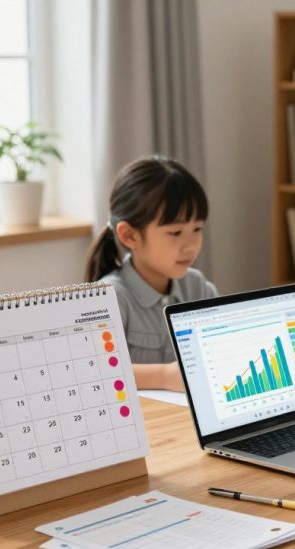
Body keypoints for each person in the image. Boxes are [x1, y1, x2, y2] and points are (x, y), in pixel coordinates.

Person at [85, 155, 217, 391]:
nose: (191, 245)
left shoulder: (198, 287)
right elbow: (94, 371)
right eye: (175, 232)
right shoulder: (111, 297)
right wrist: (165, 376)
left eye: (197, 229)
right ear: (129, 236)